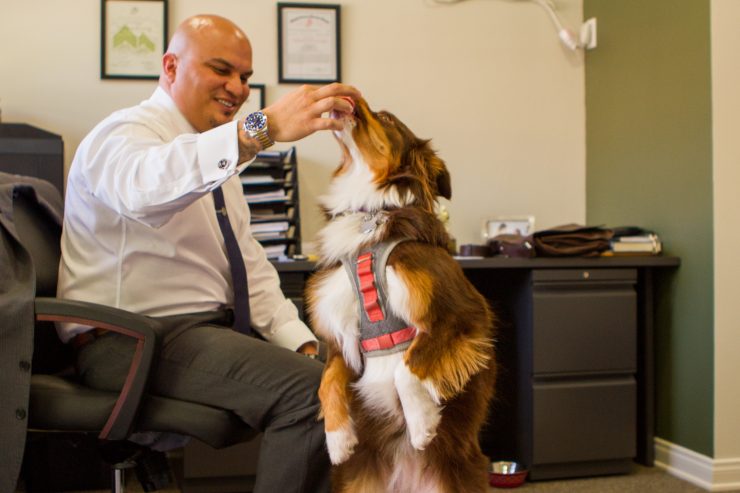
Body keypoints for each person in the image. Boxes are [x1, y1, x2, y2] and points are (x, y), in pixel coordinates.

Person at [57, 14, 360, 493]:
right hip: (132, 340)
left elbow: (250, 266)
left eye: (244, 77)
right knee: (313, 395)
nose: (237, 87)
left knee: (338, 376)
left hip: (195, 334)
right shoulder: (120, 134)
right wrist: (260, 128)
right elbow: (144, 190)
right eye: (221, 70)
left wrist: (301, 344)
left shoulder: (217, 158)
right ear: (171, 66)